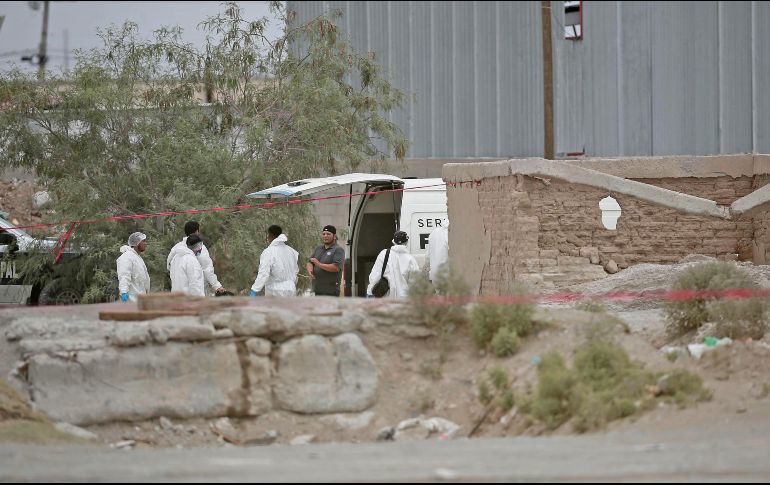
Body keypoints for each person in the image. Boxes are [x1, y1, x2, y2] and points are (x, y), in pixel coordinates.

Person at [166, 221, 226, 296]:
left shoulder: (176, 248)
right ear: (197, 231)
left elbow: (168, 266)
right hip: (195, 293)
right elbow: (207, 268)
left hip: (177, 292)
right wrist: (216, 285)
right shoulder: (199, 248)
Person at [249, 225, 299, 297]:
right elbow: (296, 271)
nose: (267, 237)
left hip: (275, 291)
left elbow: (264, 273)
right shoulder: (291, 251)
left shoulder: (268, 252)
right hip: (291, 289)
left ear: (271, 235)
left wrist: (254, 289)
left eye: (268, 234)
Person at [367, 230, 420, 298]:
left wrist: (369, 292)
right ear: (406, 242)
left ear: (393, 242)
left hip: (385, 300)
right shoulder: (411, 259)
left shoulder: (383, 254)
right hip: (404, 301)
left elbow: (375, 276)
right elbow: (415, 284)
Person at [306, 225, 345, 296]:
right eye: (323, 234)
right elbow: (310, 262)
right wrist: (310, 271)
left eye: (328, 234)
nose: (325, 236)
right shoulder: (318, 248)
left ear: (334, 236)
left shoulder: (338, 250)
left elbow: (336, 268)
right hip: (317, 289)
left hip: (331, 291)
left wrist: (318, 264)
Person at [117, 232, 150, 302]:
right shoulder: (126, 257)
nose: (146, 243)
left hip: (140, 299)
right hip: (132, 300)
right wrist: (123, 292)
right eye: (143, 241)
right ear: (136, 243)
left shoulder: (137, 257)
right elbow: (124, 276)